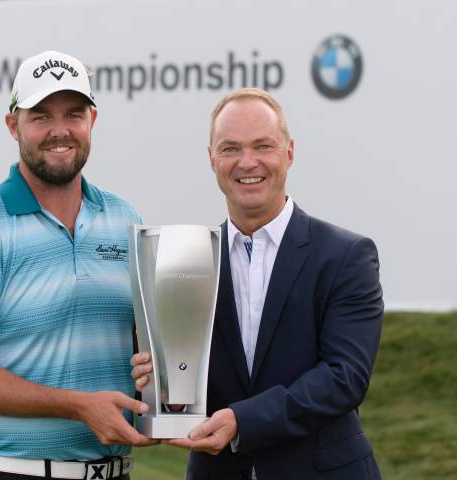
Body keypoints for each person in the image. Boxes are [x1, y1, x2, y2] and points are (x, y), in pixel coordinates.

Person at [131, 88, 384, 479]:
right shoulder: (186, 261)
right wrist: (156, 380)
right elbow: (181, 379)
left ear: (290, 152)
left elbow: (344, 376)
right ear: (211, 159)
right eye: (230, 148)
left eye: (263, 146)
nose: (247, 162)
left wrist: (242, 420)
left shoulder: (346, 256)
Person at [0, 50, 154, 480]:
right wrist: (77, 407)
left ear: (92, 120)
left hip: (115, 471)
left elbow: (142, 343)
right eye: (41, 116)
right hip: (11, 473)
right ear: (14, 126)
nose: (60, 131)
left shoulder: (125, 219)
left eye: (73, 114)